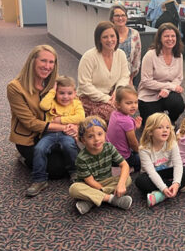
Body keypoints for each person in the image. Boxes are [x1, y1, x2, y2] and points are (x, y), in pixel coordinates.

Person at [7, 45, 78, 181]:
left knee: (77, 158)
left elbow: (74, 101)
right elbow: (30, 123)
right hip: (29, 138)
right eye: (43, 61)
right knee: (56, 171)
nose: (47, 66)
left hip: (53, 133)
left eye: (51, 62)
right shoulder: (15, 87)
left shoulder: (54, 82)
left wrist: (75, 126)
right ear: (32, 61)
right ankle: (24, 158)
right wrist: (64, 126)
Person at [25, 76, 84, 197]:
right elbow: (43, 106)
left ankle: (74, 172)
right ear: (56, 92)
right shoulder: (52, 101)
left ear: (75, 93)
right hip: (49, 134)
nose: (65, 97)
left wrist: (60, 120)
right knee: (39, 149)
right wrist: (53, 90)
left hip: (65, 134)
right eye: (61, 93)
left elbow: (80, 117)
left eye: (69, 93)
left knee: (70, 146)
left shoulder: (76, 103)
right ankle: (39, 179)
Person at [69, 116, 133, 215]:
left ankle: (91, 200)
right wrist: (102, 190)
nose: (97, 139)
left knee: (127, 179)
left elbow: (124, 165)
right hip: (89, 185)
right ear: (83, 140)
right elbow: (90, 181)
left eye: (100, 134)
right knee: (74, 189)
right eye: (90, 136)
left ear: (105, 134)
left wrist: (120, 184)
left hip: (106, 182)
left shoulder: (109, 147)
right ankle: (112, 199)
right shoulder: (81, 158)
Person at [135, 113, 185, 207]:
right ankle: (176, 188)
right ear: (150, 131)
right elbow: (151, 172)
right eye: (160, 127)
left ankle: (160, 196)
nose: (165, 130)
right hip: (151, 175)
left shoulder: (172, 144)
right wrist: (163, 188)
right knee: (140, 181)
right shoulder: (144, 149)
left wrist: (176, 183)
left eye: (167, 127)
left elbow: (178, 164)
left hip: (167, 171)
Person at [77, 21, 130, 122]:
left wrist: (116, 92)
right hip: (89, 98)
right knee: (114, 114)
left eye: (112, 36)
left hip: (111, 95)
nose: (110, 40)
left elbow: (124, 77)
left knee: (126, 108)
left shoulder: (120, 54)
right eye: (105, 37)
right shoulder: (89, 57)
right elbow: (84, 85)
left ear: (117, 37)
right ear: (99, 39)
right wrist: (106, 99)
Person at [138, 23, 185, 126]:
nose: (170, 39)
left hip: (167, 93)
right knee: (152, 126)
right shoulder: (150, 55)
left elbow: (179, 77)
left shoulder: (178, 55)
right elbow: (146, 81)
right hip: (149, 94)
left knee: (178, 104)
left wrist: (167, 90)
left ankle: (170, 121)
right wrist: (169, 86)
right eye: (166, 36)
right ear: (159, 38)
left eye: (173, 36)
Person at [106, 86, 142, 172]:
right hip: (121, 157)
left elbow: (121, 132)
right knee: (144, 158)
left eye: (135, 102)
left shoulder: (114, 113)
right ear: (118, 104)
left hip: (109, 152)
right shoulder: (127, 122)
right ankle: (129, 169)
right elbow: (133, 143)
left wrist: (134, 127)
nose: (133, 106)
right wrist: (140, 151)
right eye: (128, 103)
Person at [109, 5, 141, 85]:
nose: (120, 18)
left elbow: (136, 59)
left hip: (128, 77)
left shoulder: (134, 34)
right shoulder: (108, 34)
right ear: (112, 18)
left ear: (126, 17)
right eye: (117, 16)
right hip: (110, 77)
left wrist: (130, 78)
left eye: (123, 15)